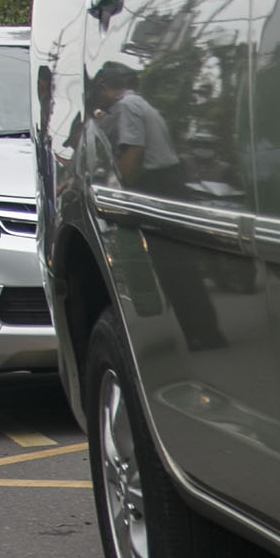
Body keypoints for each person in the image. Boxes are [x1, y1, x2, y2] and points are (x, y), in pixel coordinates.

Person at [87, 62, 223, 349]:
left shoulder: (126, 107)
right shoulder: (139, 104)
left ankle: (200, 334)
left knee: (171, 267)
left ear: (103, 87)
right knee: (182, 266)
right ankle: (206, 331)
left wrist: (123, 189)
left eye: (96, 93)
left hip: (156, 185)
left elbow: (133, 153)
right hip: (171, 182)